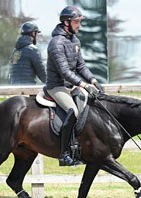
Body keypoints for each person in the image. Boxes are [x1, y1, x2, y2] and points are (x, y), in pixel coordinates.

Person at [45, 6, 105, 166]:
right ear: (66, 22)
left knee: (90, 107)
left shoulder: (75, 41)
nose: (79, 25)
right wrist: (84, 85)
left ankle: (81, 148)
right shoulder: (56, 43)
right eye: (77, 22)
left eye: (80, 21)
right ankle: (64, 154)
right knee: (73, 111)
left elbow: (81, 67)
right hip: (57, 86)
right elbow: (64, 71)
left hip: (72, 86)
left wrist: (94, 81)